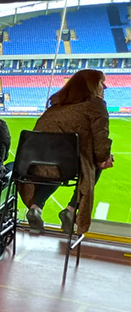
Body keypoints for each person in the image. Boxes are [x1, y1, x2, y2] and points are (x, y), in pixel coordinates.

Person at [20, 69, 113, 234]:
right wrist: (103, 158)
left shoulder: (55, 105)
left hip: (35, 164)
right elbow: (101, 142)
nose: (104, 87)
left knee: (57, 164)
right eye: (101, 82)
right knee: (94, 164)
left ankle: (35, 207)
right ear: (91, 85)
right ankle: (71, 209)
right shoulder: (95, 104)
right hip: (67, 166)